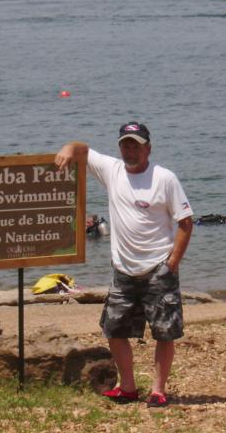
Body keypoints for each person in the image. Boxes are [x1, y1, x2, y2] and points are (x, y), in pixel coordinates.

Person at [56, 121, 193, 408]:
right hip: (123, 269)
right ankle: (128, 386)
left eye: (136, 144)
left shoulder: (164, 178)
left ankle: (158, 390)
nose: (130, 149)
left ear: (148, 148)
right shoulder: (112, 170)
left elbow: (185, 222)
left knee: (164, 331)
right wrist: (69, 148)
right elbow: (84, 150)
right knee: (114, 329)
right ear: (120, 147)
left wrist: (174, 261)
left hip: (159, 266)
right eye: (125, 143)